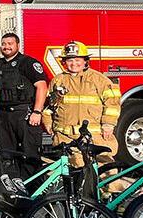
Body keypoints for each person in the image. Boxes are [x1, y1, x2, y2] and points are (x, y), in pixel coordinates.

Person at [43, 41, 121, 189]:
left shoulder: (99, 80)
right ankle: (80, 202)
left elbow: (112, 103)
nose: (74, 64)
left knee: (106, 168)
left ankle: (114, 200)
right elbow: (49, 106)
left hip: (94, 136)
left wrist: (108, 124)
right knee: (74, 172)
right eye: (70, 60)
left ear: (85, 61)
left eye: (78, 60)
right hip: (65, 137)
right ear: (64, 62)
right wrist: (47, 123)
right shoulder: (58, 80)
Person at [0, 33, 49, 172]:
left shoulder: (29, 63)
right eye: (4, 44)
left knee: (30, 155)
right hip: (5, 116)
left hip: (25, 113)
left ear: (18, 45)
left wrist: (37, 112)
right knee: (7, 156)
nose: (6, 47)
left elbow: (42, 86)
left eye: (10, 43)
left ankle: (34, 190)